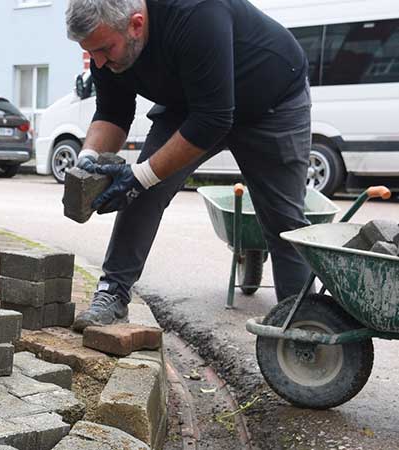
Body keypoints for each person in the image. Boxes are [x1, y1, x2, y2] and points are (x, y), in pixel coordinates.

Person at [65, 0, 314, 331]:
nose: (97, 61)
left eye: (104, 49)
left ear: (136, 25)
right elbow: (112, 111)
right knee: (143, 195)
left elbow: (214, 119)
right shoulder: (105, 44)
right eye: (90, 52)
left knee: (283, 221)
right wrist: (88, 161)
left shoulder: (196, 12)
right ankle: (112, 293)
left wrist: (140, 176)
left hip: (271, 102)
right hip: (192, 103)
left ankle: (302, 330)